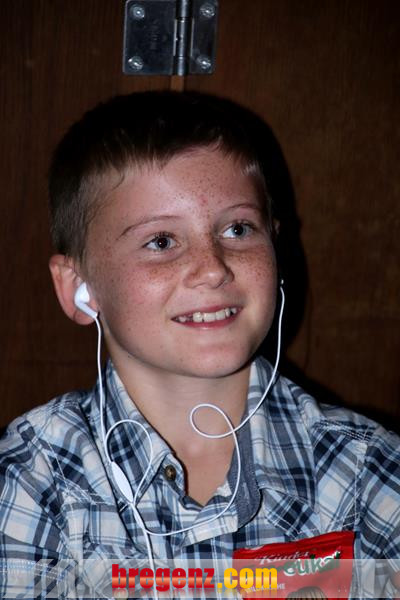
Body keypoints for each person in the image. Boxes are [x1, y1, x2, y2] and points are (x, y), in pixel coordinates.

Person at [0, 91, 399, 599]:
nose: (212, 268)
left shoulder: (367, 471)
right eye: (161, 241)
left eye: (238, 229)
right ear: (80, 287)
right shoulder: (33, 480)